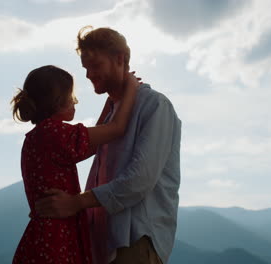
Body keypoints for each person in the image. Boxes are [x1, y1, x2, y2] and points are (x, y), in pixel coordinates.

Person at [35, 27, 182, 264]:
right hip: (105, 243)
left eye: (95, 66)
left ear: (119, 60)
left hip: (135, 239)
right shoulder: (114, 112)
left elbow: (139, 180)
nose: (89, 75)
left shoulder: (155, 105)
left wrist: (76, 203)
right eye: (85, 68)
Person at [11, 65, 139, 264]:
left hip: (43, 238)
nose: (75, 101)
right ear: (58, 101)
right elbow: (116, 129)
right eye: (71, 96)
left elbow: (95, 142)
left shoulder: (38, 138)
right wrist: (130, 88)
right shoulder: (58, 134)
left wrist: (111, 101)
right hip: (58, 240)